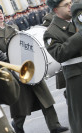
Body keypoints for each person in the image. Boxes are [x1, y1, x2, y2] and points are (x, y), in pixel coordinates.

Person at [0, 3, 68, 133]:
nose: (1, 15)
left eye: (1, 12)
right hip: (15, 72)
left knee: (44, 98)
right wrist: (0, 57)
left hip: (28, 66)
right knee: (21, 105)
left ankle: (54, 126)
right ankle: (17, 124)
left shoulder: (13, 27)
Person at [44, 0, 82, 132]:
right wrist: (80, 34)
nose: (70, 6)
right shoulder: (51, 32)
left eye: (71, 2)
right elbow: (60, 54)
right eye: (66, 4)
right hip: (76, 76)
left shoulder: (78, 18)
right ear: (55, 10)